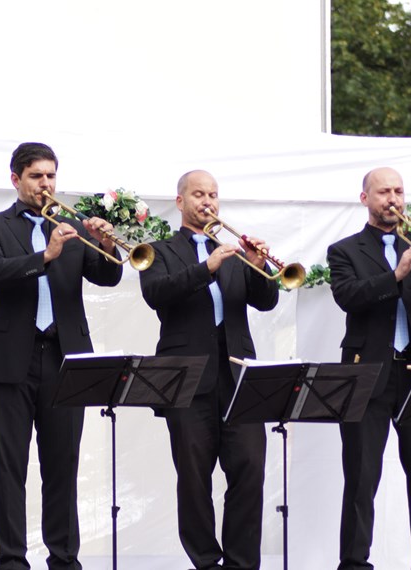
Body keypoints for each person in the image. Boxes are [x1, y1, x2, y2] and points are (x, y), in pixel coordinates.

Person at [0, 142, 123, 570]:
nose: (46, 184)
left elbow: (108, 277)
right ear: (16, 179)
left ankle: (64, 559)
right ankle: (11, 562)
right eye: (37, 176)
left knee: (63, 466)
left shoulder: (72, 226)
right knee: (8, 467)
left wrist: (106, 244)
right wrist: (46, 254)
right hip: (8, 360)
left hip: (65, 357)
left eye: (51, 176)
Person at [326, 166, 411, 570]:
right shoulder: (345, 250)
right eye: (384, 191)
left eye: (399, 191)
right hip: (368, 373)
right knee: (361, 477)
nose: (394, 199)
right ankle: (354, 564)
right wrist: (396, 273)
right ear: (365, 199)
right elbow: (349, 297)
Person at [139, 170, 279, 570]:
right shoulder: (160, 249)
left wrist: (254, 264)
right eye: (199, 194)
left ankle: (240, 563)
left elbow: (266, 301)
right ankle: (205, 562)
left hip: (237, 377)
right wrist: (207, 267)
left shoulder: (233, 251)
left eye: (214, 195)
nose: (209, 202)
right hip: (186, 377)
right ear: (180, 201)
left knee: (250, 470)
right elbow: (157, 294)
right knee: (194, 478)